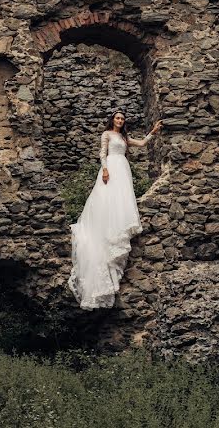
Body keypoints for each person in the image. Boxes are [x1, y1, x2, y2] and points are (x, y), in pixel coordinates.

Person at [68, 111, 164, 310]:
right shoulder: (107, 135)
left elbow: (141, 144)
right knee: (108, 197)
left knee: (122, 197)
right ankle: (109, 228)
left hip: (123, 167)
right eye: (117, 118)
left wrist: (153, 132)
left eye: (122, 119)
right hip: (112, 166)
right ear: (112, 120)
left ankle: (120, 223)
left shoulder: (123, 137)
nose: (120, 121)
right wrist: (104, 169)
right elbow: (102, 153)